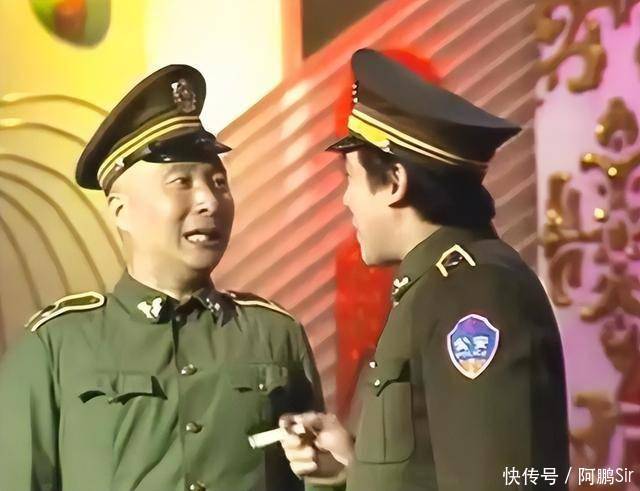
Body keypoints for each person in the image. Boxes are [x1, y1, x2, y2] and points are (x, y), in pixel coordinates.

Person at [0, 64, 327, 491]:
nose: (209, 201)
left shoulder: (275, 334)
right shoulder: (56, 346)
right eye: (181, 182)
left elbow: (318, 475)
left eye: (219, 182)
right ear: (121, 210)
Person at [280, 48, 570, 490]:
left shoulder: (475, 291)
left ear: (395, 182)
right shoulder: (433, 287)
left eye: (350, 179)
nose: (346, 201)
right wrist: (350, 470)